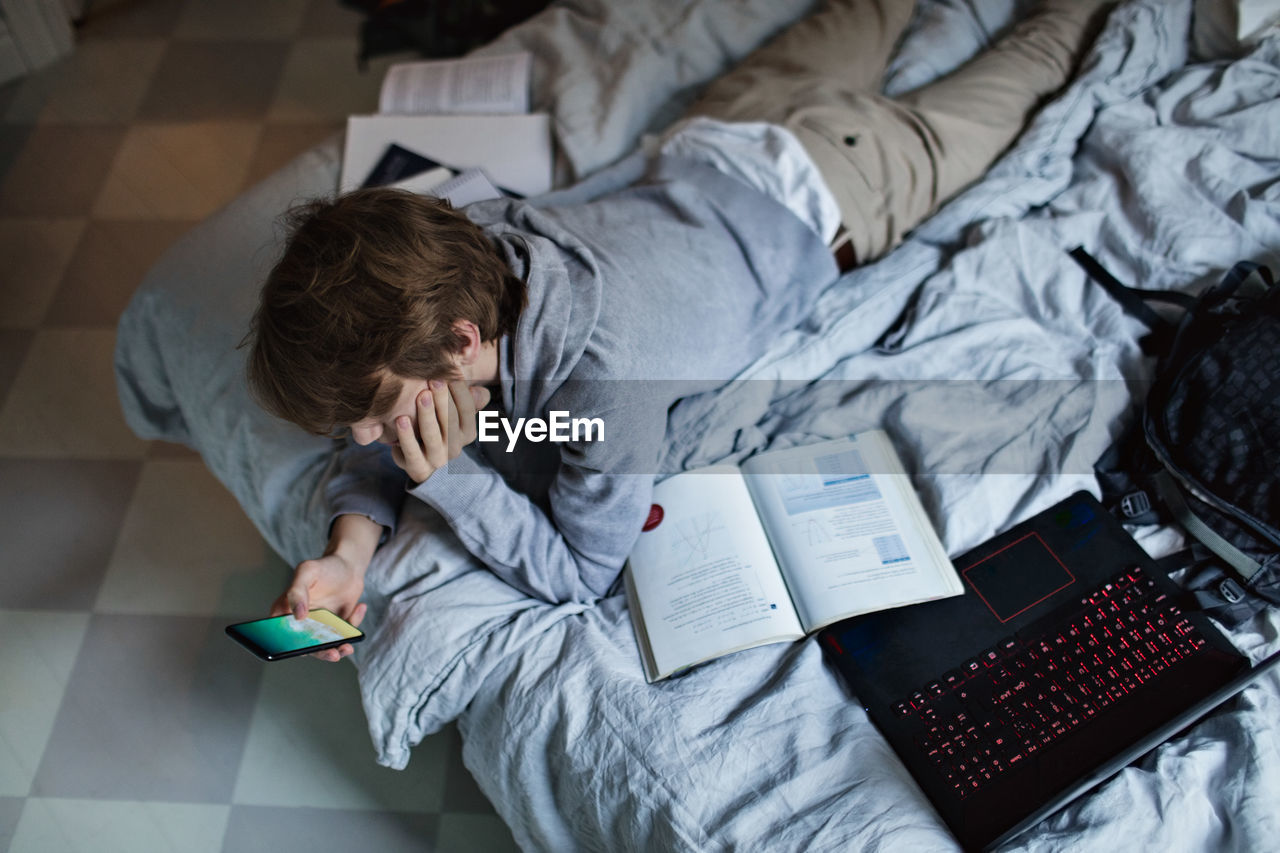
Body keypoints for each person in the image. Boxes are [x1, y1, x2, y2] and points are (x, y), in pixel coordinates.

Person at [245, 0, 1114, 660]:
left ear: (464, 343)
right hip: (728, 123)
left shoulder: (605, 382)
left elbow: (583, 572)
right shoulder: (467, 242)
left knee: (1041, 53)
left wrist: (454, 483)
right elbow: (375, 409)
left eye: (377, 413)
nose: (362, 438)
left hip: (846, 183)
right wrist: (349, 555)